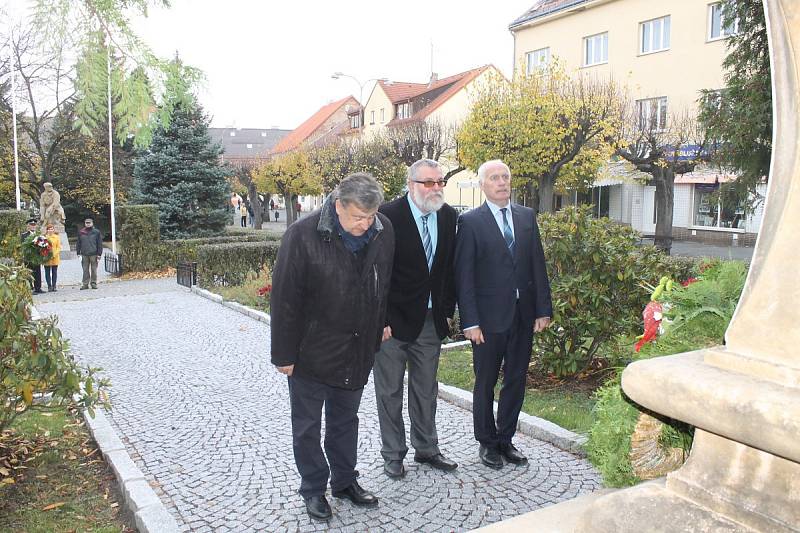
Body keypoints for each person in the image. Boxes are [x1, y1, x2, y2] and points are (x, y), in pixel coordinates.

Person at [270, 173, 395, 522]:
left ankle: (344, 481)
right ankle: (313, 488)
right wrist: (283, 354)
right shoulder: (303, 234)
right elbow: (285, 298)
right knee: (307, 426)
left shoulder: (383, 229)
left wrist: (380, 322)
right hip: (311, 351)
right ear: (337, 205)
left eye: (370, 216)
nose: (364, 224)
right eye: (357, 216)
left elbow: (382, 284)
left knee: (345, 421)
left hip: (357, 348)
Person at [454, 160, 552, 470]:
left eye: (505, 177)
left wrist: (542, 309)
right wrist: (469, 321)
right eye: (494, 178)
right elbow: (464, 276)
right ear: (482, 185)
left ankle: (506, 438)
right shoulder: (470, 222)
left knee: (516, 379)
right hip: (487, 321)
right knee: (485, 382)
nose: (501, 182)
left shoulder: (526, 217)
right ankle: (486, 441)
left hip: (523, 317)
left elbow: (538, 264)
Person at [373, 159, 458, 479]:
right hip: (392, 325)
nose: (436, 188)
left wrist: (446, 312)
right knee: (389, 391)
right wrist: (380, 321)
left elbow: (449, 270)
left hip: (430, 322)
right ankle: (393, 454)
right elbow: (376, 272)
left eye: (440, 182)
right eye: (429, 183)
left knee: (426, 390)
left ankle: (427, 448)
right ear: (411, 184)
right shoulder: (387, 216)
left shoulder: (449, 217)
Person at [76, 218, 103, 290]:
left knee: (94, 269)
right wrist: (78, 253)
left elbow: (99, 244)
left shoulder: (96, 232)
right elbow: (78, 243)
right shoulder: (81, 232)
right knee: (85, 270)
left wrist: (99, 254)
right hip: (84, 254)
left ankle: (93, 283)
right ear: (85, 224)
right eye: (86, 223)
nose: (88, 224)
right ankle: (85, 284)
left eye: (89, 223)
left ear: (92, 223)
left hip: (94, 254)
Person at [20, 218, 43, 294]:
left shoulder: (39, 235)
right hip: (29, 257)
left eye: (34, 225)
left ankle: (38, 288)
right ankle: (30, 288)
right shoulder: (24, 235)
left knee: (38, 273)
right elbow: (23, 246)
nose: (33, 226)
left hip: (37, 257)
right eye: (31, 225)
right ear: (28, 226)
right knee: (29, 273)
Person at [43, 224, 61, 292]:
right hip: (46, 257)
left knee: (54, 272)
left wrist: (54, 254)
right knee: (47, 272)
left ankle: (54, 285)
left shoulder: (57, 237)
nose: (50, 230)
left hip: (55, 257)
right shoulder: (44, 237)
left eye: (51, 229)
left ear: (53, 230)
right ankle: (49, 286)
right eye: (49, 229)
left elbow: (59, 247)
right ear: (47, 230)